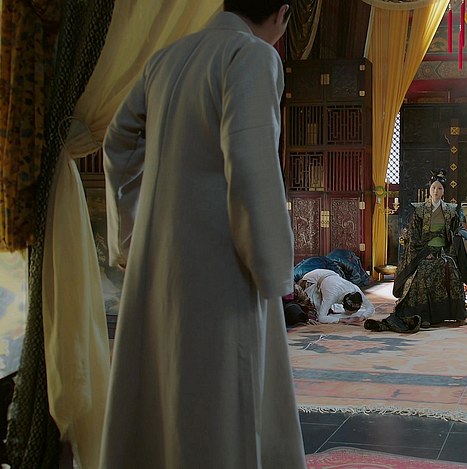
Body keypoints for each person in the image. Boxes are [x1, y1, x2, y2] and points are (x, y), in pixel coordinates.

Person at [100, 2, 305, 467]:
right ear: (282, 14)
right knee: (219, 411)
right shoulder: (250, 55)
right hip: (220, 268)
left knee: (161, 398)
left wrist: (131, 239)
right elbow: (251, 165)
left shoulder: (165, 59)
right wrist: (275, 269)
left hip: (158, 264)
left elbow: (118, 143)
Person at [392, 169, 467, 327]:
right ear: (429, 189)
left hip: (444, 253)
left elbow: (457, 230)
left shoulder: (451, 210)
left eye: (439, 188)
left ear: (444, 191)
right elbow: (413, 234)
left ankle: (457, 314)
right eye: (433, 188)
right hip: (423, 253)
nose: (436, 191)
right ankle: (424, 315)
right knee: (422, 276)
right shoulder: (420, 210)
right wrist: (424, 252)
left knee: (454, 275)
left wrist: (454, 237)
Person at [300, 268, 375, 325]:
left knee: (333, 311)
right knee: (316, 313)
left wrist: (362, 317)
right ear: (343, 304)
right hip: (312, 280)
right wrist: (341, 320)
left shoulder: (356, 290)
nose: (349, 314)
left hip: (331, 278)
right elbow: (321, 318)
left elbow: (371, 308)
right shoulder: (332, 294)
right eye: (349, 311)